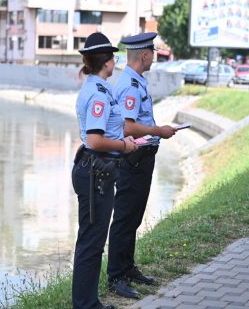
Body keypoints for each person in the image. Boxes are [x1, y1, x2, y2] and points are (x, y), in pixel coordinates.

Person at [107, 32, 177, 299]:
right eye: (153, 52)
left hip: (142, 158)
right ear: (145, 55)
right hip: (133, 160)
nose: (154, 57)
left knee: (133, 217)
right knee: (125, 218)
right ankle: (116, 278)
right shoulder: (129, 85)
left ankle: (127, 268)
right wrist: (158, 130)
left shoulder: (135, 81)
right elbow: (127, 126)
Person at [72, 32, 137, 309]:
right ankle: (86, 305)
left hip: (96, 171)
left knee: (92, 240)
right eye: (114, 58)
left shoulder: (99, 88)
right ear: (107, 62)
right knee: (91, 242)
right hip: (94, 173)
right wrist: (123, 145)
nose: (116, 63)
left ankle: (87, 302)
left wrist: (125, 141)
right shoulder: (97, 93)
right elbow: (96, 139)